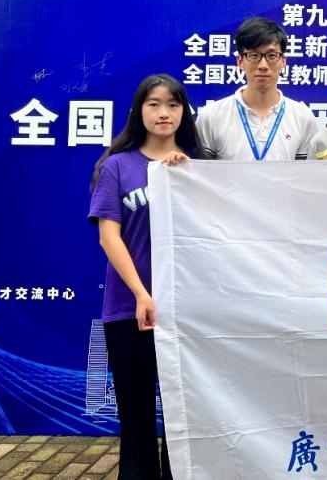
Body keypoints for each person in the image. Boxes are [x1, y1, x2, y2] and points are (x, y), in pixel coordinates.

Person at [88, 73, 201, 479]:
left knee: (185, 415)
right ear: (139, 111)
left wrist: (189, 175)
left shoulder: (199, 165)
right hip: (130, 308)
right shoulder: (116, 166)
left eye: (173, 104)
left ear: (184, 111)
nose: (163, 113)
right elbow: (109, 236)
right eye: (154, 104)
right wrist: (141, 294)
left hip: (188, 309)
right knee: (135, 414)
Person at [195, 17, 318, 160]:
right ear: (240, 61)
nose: (263, 65)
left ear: (283, 61)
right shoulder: (211, 116)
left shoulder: (302, 117)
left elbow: (305, 173)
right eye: (254, 55)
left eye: (272, 55)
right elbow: (202, 171)